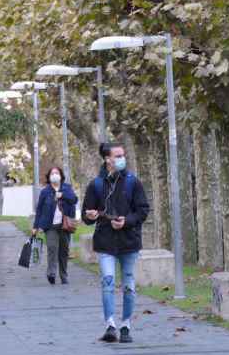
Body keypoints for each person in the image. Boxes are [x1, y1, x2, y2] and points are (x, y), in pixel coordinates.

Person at [82, 142, 150, 344]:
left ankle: (126, 325)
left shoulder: (133, 182)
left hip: (129, 242)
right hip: (106, 243)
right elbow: (87, 216)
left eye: (123, 155)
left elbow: (143, 210)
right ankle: (110, 325)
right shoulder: (95, 185)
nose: (122, 158)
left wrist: (127, 221)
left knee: (128, 285)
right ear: (107, 159)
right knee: (108, 282)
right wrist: (91, 215)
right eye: (117, 155)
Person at [31, 166, 78, 285]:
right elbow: (39, 210)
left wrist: (62, 195)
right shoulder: (45, 191)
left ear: (61, 176)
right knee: (52, 248)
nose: (54, 175)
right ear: (49, 176)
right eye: (52, 173)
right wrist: (35, 227)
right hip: (50, 225)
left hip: (65, 225)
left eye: (57, 173)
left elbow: (74, 199)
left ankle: (64, 275)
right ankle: (51, 272)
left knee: (64, 251)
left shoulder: (67, 188)